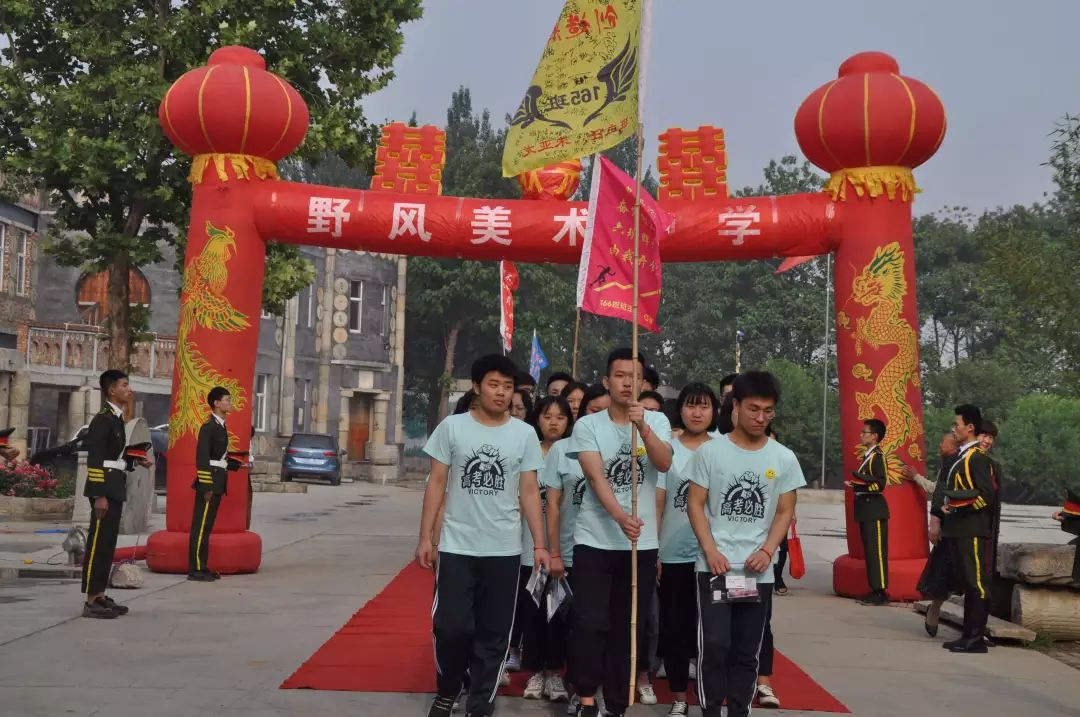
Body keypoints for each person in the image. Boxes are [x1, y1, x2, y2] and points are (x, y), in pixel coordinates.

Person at [416, 354, 550, 717]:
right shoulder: (453, 428)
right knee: (451, 626)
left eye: (508, 387)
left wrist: (539, 544)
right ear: (476, 387)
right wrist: (426, 537)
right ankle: (448, 688)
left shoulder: (524, 434)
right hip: (458, 546)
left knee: (494, 634)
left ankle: (481, 702)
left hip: (504, 550)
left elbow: (528, 491)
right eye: (494, 385)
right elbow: (437, 485)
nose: (502, 393)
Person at [686, 371, 804, 717]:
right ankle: (710, 710)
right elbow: (695, 504)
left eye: (768, 411)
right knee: (716, 645)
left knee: (745, 649)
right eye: (754, 409)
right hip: (716, 568)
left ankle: (739, 710)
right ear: (734, 406)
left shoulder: (782, 458)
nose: (761, 418)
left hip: (756, 572)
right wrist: (710, 551)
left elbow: (785, 511)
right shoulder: (711, 453)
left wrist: (768, 550)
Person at [566, 349, 673, 717]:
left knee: (628, 626)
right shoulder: (588, 426)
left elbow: (664, 462)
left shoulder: (656, 422)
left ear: (644, 383)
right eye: (620, 374)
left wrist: (642, 427)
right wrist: (619, 517)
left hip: (640, 545)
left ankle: (615, 703)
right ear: (606, 381)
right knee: (590, 621)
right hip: (595, 540)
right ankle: (584, 697)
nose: (628, 382)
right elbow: (595, 477)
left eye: (635, 376)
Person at [656, 383, 717, 717]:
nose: (697, 413)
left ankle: (710, 696)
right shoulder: (668, 451)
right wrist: (656, 552)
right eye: (691, 406)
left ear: (715, 411)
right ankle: (680, 696)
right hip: (674, 555)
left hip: (714, 557)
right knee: (676, 628)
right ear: (680, 410)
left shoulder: (724, 447)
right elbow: (659, 502)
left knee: (713, 630)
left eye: (704, 406)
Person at [519, 396, 574, 703]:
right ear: (537, 418)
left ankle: (555, 674)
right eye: (547, 415)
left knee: (559, 615)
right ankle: (535, 672)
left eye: (560, 417)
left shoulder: (574, 454)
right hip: (531, 550)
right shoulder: (528, 451)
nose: (553, 422)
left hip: (563, 549)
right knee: (534, 613)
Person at [82, 370, 150, 618]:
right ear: (111, 390)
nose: (129, 389)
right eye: (124, 385)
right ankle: (91, 600)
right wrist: (99, 495)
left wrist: (136, 460)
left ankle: (99, 594)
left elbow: (115, 457)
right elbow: (96, 459)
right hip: (104, 490)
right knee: (98, 544)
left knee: (108, 544)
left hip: (115, 486)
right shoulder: (102, 419)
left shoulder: (117, 418)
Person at [940, 404, 996, 654]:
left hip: (971, 528)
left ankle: (975, 637)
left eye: (957, 425)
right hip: (958, 527)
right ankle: (968, 634)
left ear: (970, 427)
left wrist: (961, 508)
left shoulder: (978, 458)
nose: (954, 429)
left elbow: (986, 495)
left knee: (976, 584)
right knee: (967, 582)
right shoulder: (962, 456)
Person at [906, 432, 961, 637]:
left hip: (965, 524)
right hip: (948, 523)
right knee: (943, 571)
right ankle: (935, 608)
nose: (939, 445)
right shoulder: (947, 464)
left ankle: (975, 627)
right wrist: (935, 522)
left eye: (943, 442)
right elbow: (938, 491)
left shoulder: (965, 461)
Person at [188, 387, 241, 581]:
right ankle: (195, 569)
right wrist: (207, 485)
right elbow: (202, 458)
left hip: (218, 479)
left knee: (207, 526)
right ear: (216, 403)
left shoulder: (220, 426)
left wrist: (235, 464)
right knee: (200, 526)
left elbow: (218, 457)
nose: (230, 403)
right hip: (208, 483)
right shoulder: (209, 427)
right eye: (227, 399)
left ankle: (202, 565)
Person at [849, 418, 890, 606]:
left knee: (876, 552)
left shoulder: (877, 457)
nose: (861, 435)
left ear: (874, 436)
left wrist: (860, 486)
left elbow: (880, 483)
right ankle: (874, 588)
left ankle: (880, 591)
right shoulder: (867, 456)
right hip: (866, 509)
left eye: (864, 432)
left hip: (874, 509)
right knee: (870, 551)